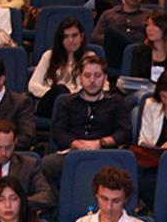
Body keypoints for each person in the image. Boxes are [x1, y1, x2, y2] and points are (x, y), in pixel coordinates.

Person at [43, 54, 131, 184]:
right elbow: (58, 133)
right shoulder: (66, 102)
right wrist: (77, 144)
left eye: (97, 75)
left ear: (105, 78)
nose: (92, 81)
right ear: (80, 78)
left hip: (105, 154)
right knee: (46, 165)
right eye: (87, 76)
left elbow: (125, 132)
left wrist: (100, 143)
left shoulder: (116, 102)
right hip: (73, 153)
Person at [29, 18, 96, 117]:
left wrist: (69, 95)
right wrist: (55, 94)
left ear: (81, 37)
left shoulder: (90, 58)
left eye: (74, 36)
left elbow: (97, 86)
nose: (70, 40)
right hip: (49, 106)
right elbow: (32, 85)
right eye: (66, 37)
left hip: (78, 105)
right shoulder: (48, 56)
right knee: (60, 90)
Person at [91, 0, 151, 71]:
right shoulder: (109, 14)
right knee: (112, 33)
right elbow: (95, 37)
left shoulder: (149, 16)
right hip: (114, 58)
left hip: (138, 59)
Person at [129, 10, 167, 84]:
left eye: (155, 25)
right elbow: (135, 81)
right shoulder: (140, 51)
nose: (149, 29)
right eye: (148, 25)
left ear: (165, 28)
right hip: (144, 93)